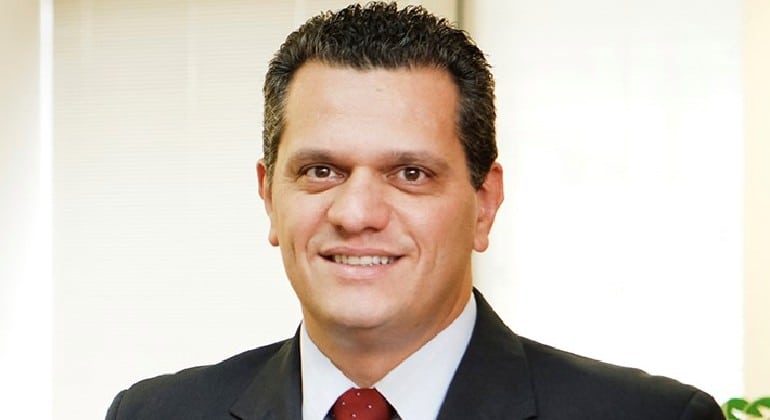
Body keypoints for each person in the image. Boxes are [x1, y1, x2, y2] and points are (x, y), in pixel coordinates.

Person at [106, 3, 725, 419]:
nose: (357, 213)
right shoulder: (155, 415)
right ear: (269, 197)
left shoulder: (654, 417)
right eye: (321, 171)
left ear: (484, 204)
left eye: (410, 174)